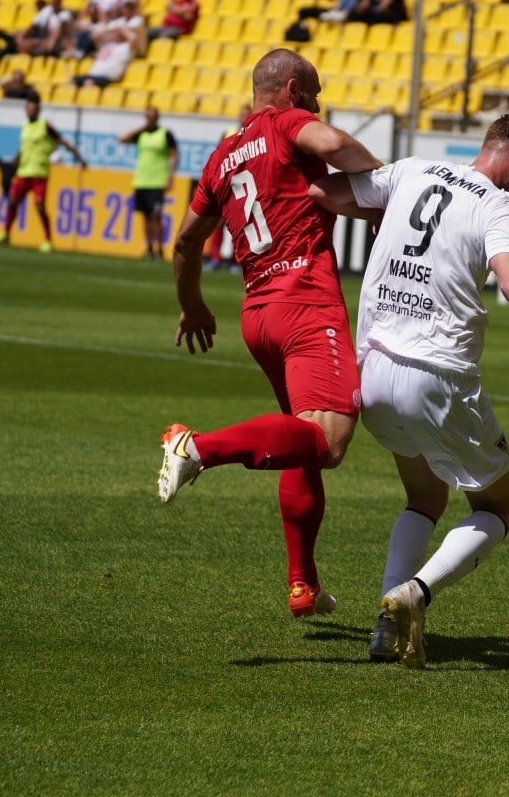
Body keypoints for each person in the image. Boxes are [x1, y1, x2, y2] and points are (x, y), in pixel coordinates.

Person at [309, 113, 509, 668]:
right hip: (439, 378)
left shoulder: (410, 171)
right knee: (501, 506)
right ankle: (414, 594)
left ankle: (386, 618)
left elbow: (323, 191)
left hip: (374, 373)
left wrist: (378, 209)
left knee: (424, 497)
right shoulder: (502, 205)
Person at [155, 49, 384, 618]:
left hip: (258, 314)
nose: (317, 105)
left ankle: (303, 583)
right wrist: (389, 187)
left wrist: (192, 307)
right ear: (286, 89)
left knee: (299, 441)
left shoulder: (223, 156)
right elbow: (335, 147)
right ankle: (196, 447)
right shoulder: (286, 125)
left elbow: (184, 243)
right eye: (312, 94)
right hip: (306, 303)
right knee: (327, 442)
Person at [0, 94, 87, 253]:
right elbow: (24, 147)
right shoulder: (25, 126)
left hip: (40, 173)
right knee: (12, 201)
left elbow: (62, 141)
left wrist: (79, 158)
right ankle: (5, 233)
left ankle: (48, 240)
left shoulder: (45, 125)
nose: (30, 110)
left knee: (39, 206)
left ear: (38, 109)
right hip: (23, 172)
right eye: (28, 106)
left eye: (33, 107)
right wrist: (15, 160)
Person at [119, 106, 178, 260]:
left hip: (157, 181)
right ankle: (149, 248)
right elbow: (122, 138)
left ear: (158, 118)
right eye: (148, 116)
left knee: (156, 216)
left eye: (153, 116)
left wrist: (170, 177)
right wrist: (142, 128)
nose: (151, 119)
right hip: (141, 181)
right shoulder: (142, 134)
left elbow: (174, 156)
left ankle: (159, 250)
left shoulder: (165, 134)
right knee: (145, 216)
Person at [203, 102, 252, 273]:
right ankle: (215, 258)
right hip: (227, 183)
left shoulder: (253, 134)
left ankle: (233, 260)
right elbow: (219, 156)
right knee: (219, 223)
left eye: (247, 114)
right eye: (242, 113)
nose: (243, 117)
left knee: (237, 226)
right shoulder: (228, 132)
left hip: (243, 183)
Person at [72, 17, 137, 87]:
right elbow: (94, 36)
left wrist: (122, 29)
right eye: (115, 33)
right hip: (93, 75)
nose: (116, 34)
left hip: (108, 77)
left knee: (89, 83)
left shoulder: (126, 47)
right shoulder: (107, 45)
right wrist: (112, 28)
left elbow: (133, 38)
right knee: (71, 81)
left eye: (119, 33)